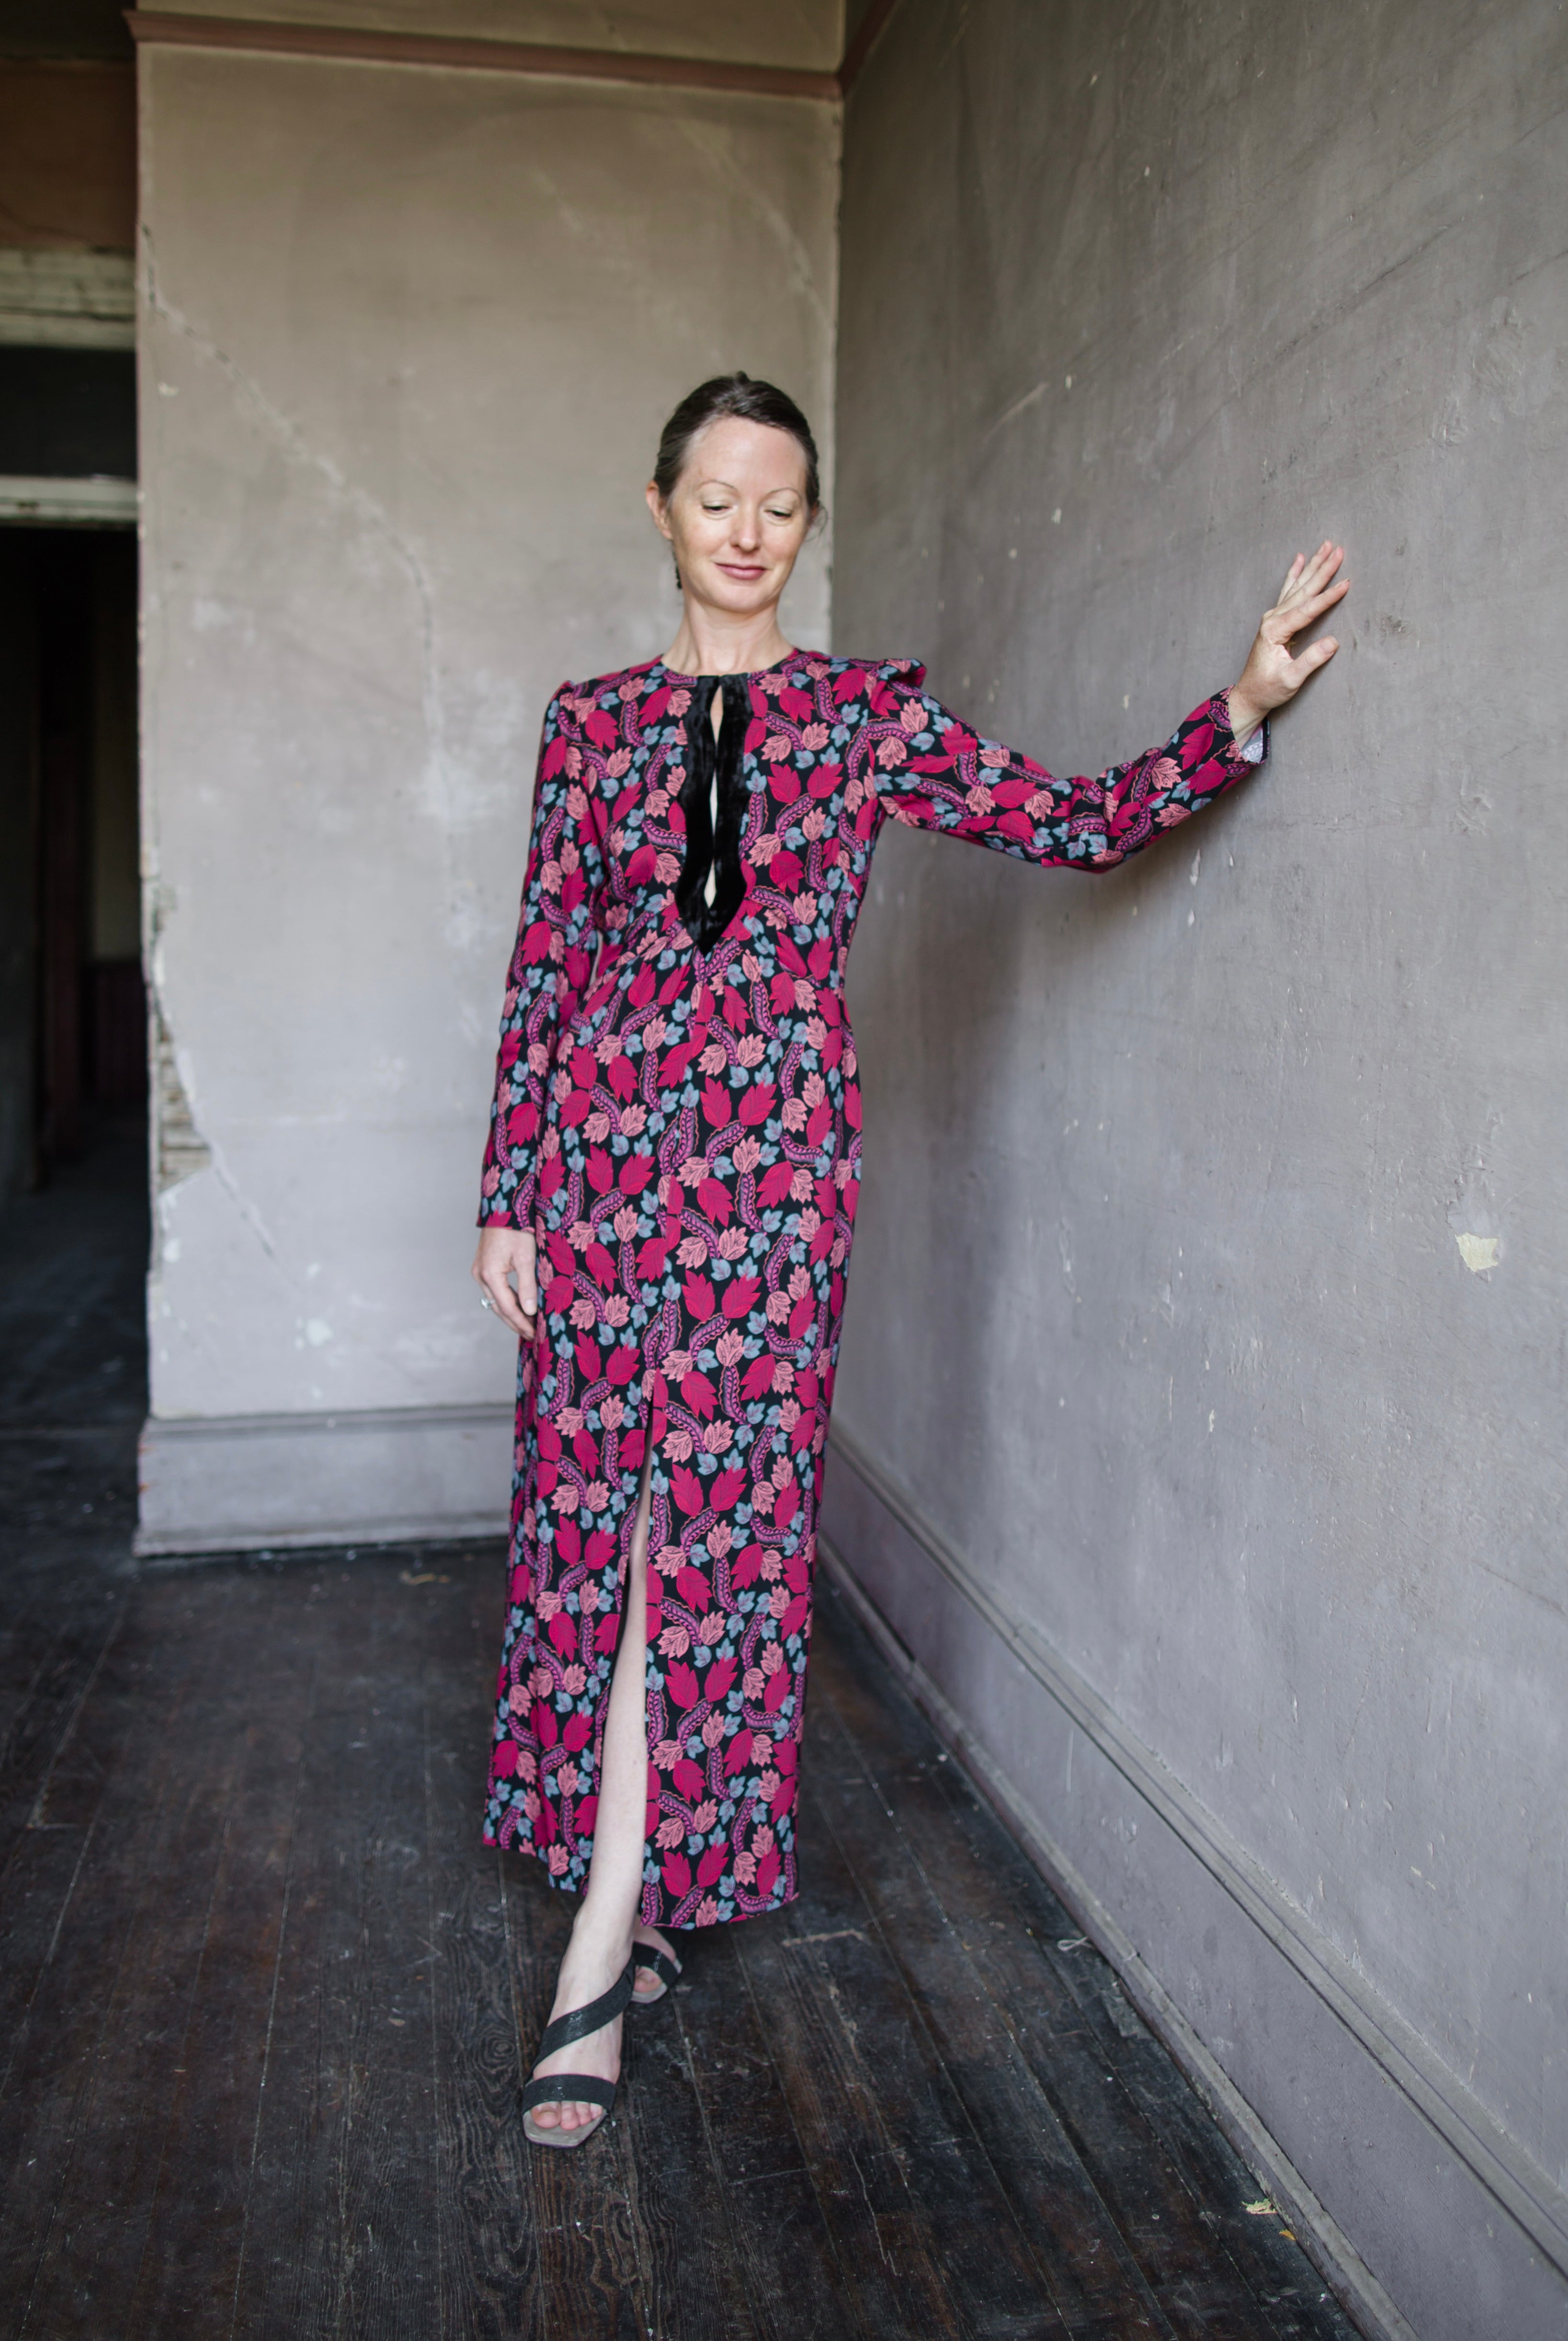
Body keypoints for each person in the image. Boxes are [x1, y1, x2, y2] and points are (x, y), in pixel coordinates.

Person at [472, 373, 1348, 2145]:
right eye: (712, 497)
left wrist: (1238, 707)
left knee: (703, 1532)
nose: (743, 529)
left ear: (807, 524)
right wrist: (508, 1191)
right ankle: (627, 1891)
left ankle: (594, 1938)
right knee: (592, 1520)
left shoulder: (865, 718)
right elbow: (546, 964)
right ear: (659, 510)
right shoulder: (584, 726)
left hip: (775, 1183)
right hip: (598, 1175)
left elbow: (1072, 821)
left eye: (777, 503)